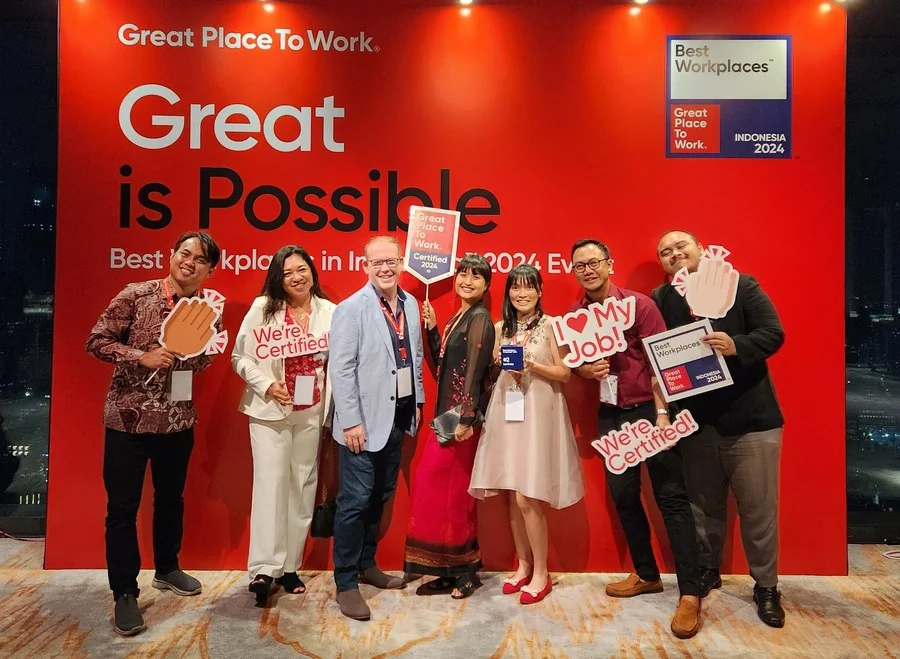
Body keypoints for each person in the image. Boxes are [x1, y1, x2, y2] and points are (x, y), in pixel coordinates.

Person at [86, 232, 222, 637]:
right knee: (123, 509)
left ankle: (167, 568)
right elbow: (96, 341)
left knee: (170, 499)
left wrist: (201, 354)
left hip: (177, 421)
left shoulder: (207, 309)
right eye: (185, 254)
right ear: (172, 256)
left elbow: (200, 364)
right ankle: (125, 592)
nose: (190, 263)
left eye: (200, 260)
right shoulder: (136, 293)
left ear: (209, 270)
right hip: (127, 420)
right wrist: (139, 356)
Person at [569, 238, 702, 639]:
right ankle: (647, 574)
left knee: (671, 498)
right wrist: (584, 372)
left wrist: (663, 413)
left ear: (610, 264)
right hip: (612, 414)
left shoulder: (640, 305)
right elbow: (576, 364)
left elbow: (663, 360)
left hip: (651, 410)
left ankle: (691, 593)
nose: (588, 270)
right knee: (623, 496)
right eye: (580, 265)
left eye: (594, 262)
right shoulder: (577, 315)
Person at [653, 230, 786, 628]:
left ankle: (766, 587)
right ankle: (707, 571)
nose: (675, 254)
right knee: (703, 509)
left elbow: (773, 333)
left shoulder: (741, 284)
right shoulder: (662, 299)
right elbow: (657, 357)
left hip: (752, 423)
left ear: (700, 250)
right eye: (665, 252)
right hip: (696, 424)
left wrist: (735, 345)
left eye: (682, 247)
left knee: (759, 512)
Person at [469, 264, 584, 605]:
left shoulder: (552, 326)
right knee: (511, 493)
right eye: (515, 288)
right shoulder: (501, 328)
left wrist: (533, 366)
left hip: (538, 413)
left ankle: (541, 573)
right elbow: (487, 369)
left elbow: (565, 374)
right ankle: (523, 566)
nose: (522, 294)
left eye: (529, 287)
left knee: (528, 495)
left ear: (540, 291)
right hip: (508, 412)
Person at [232, 245, 336, 605]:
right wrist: (265, 384)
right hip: (269, 412)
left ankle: (290, 565)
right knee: (271, 484)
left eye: (302, 269)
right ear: (278, 277)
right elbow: (240, 357)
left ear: (312, 271)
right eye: (288, 272)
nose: (297, 277)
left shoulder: (330, 312)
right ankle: (264, 568)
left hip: (311, 410)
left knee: (302, 485)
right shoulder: (263, 309)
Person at [328, 235, 425, 621]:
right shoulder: (352, 308)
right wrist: (350, 420)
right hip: (362, 425)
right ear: (365, 265)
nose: (385, 268)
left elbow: (413, 356)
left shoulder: (411, 303)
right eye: (377, 262)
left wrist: (416, 404)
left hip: (398, 418)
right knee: (353, 502)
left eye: (392, 261)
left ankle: (367, 565)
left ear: (400, 263)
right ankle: (345, 582)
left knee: (379, 496)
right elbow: (342, 367)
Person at [403, 254, 495, 600]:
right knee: (437, 493)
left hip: (460, 422)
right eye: (463, 274)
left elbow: (473, 371)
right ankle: (446, 570)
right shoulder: (461, 316)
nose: (467, 281)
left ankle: (466, 573)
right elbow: (441, 367)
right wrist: (431, 329)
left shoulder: (480, 318)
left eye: (476, 277)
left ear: (486, 285)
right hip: (447, 417)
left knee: (455, 497)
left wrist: (467, 419)